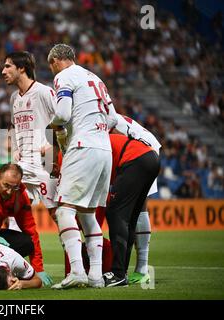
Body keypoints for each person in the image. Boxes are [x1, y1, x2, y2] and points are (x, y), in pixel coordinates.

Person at [47, 44, 118, 289]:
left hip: (83, 146)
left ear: (56, 60)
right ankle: (96, 276)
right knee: (88, 214)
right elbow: (112, 119)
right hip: (104, 150)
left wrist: (53, 124)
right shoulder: (95, 78)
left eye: (51, 65)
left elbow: (63, 114)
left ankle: (77, 270)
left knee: (64, 210)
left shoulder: (63, 76)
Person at [1, 51, 59, 229]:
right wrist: (15, 147)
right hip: (23, 163)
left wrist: (51, 145)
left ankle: (83, 250)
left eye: (8, 66)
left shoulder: (43, 92)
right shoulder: (13, 99)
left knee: (58, 214)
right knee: (10, 208)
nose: (3, 71)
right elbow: (14, 126)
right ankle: (13, 254)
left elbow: (64, 120)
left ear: (21, 68)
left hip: (45, 164)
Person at [101, 134, 160, 287]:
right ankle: (122, 272)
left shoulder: (89, 145)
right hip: (151, 157)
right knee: (129, 218)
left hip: (135, 159)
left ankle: (118, 273)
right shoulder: (102, 138)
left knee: (115, 214)